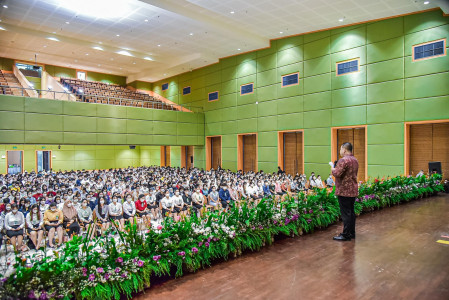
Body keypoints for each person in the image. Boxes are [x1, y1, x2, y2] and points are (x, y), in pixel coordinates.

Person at [331, 142, 359, 241]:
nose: (340, 151)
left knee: (346, 213)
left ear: (344, 149)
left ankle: (345, 234)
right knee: (351, 212)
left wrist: (332, 169)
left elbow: (337, 173)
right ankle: (351, 233)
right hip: (353, 190)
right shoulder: (355, 160)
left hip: (344, 191)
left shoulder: (343, 160)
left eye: (340, 149)